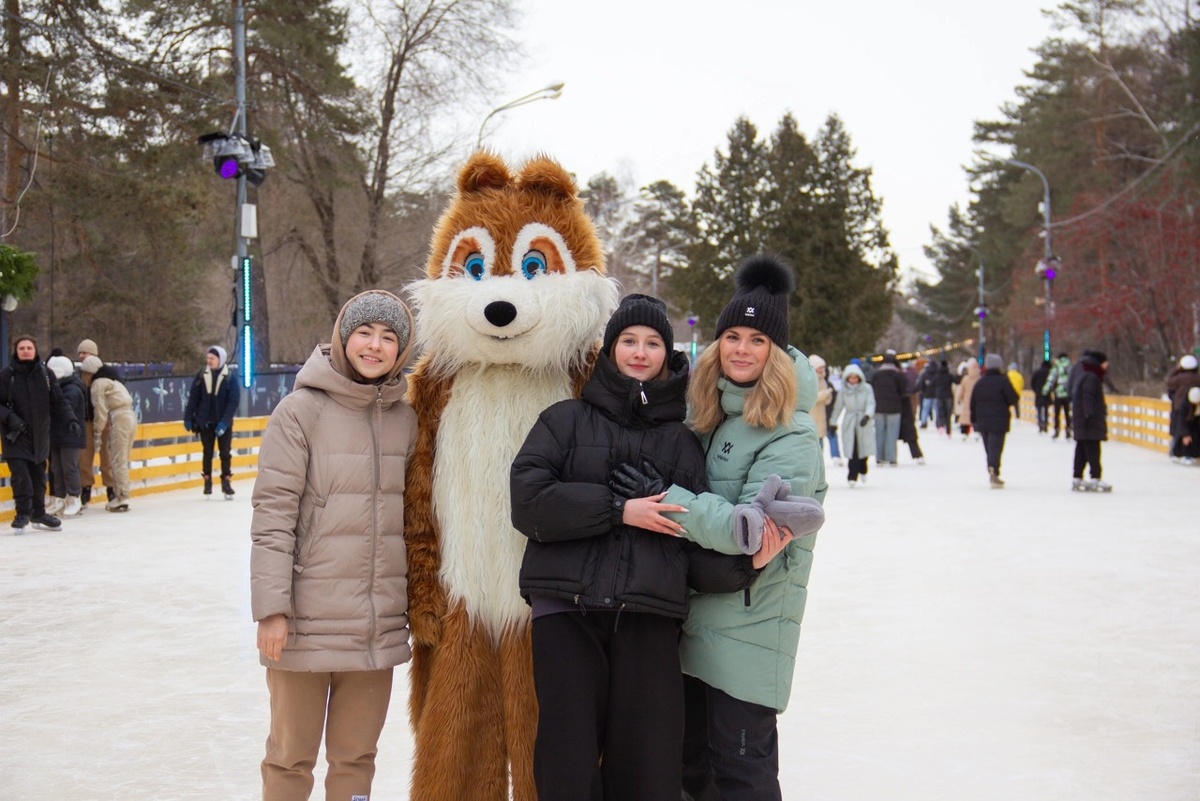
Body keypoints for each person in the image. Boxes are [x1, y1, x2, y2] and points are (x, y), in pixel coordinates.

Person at [509, 294, 793, 801]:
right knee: (567, 762)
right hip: (567, 612)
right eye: (629, 341)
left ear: (668, 354)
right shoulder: (563, 420)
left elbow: (692, 545)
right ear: (611, 349)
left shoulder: (684, 442)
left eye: (653, 343)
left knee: (648, 769)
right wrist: (618, 509)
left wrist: (746, 564)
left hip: (650, 619)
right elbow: (528, 502)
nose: (640, 352)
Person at [620, 255, 827, 800]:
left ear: (776, 353)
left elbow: (754, 529)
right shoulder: (709, 415)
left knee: (741, 774)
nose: (741, 349)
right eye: (732, 336)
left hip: (748, 625)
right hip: (694, 618)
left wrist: (668, 500)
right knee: (692, 773)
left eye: (758, 340)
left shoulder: (791, 433)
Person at [250, 290, 417, 801]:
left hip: (374, 628)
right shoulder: (300, 412)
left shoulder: (406, 419)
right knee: (290, 758)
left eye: (388, 337)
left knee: (356, 758)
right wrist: (271, 610)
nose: (375, 345)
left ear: (401, 350)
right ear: (343, 338)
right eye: (364, 333)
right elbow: (273, 516)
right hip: (305, 623)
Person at [0, 336, 78, 532]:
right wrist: (10, 417)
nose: (25, 351)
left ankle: (39, 513)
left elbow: (59, 401)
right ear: (16, 351)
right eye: (22, 348)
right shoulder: (7, 375)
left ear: (35, 351)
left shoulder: (45, 374)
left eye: (29, 348)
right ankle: (22, 513)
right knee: (21, 476)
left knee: (38, 477)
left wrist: (71, 419)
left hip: (40, 435)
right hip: (15, 436)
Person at [80, 355, 137, 512]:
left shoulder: (98, 383)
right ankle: (121, 494)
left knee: (117, 459)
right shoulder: (113, 380)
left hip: (119, 417)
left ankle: (121, 497)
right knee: (122, 457)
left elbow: (100, 410)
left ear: (89, 373)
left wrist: (97, 432)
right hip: (131, 416)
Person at [184, 345, 240, 498]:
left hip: (223, 423)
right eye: (207, 358)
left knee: (225, 453)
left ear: (220, 360)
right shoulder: (202, 375)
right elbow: (193, 398)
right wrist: (188, 417)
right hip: (205, 422)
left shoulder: (230, 377)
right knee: (207, 453)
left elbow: (233, 402)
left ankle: (226, 482)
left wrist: (225, 422)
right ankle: (207, 481)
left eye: (212, 358)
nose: (209, 361)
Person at [45, 355, 87, 517]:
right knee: (56, 467)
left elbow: (64, 407)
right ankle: (59, 498)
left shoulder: (72, 388)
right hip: (55, 434)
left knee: (69, 466)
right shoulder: (56, 387)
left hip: (70, 434)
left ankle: (74, 497)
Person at [970, 353, 1020, 487]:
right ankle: (994, 470)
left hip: (983, 420)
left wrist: (974, 420)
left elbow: (973, 403)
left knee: (989, 447)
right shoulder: (1003, 381)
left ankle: (992, 468)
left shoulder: (980, 383)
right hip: (999, 420)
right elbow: (1013, 398)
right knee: (996, 447)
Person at [1070, 350, 1111, 491]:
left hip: (1083, 420)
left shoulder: (1085, 374)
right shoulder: (1091, 377)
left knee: (1081, 449)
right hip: (1089, 421)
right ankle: (1095, 477)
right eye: (1105, 363)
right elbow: (1088, 396)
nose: (1107, 366)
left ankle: (1077, 477)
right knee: (1093, 450)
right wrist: (1088, 414)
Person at [830, 362, 876, 487]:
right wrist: (833, 421)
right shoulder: (844, 391)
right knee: (852, 449)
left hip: (863, 421)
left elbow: (871, 403)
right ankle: (852, 475)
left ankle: (863, 468)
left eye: (855, 377)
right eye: (851, 377)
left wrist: (867, 415)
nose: (853, 380)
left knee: (864, 447)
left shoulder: (867, 388)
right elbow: (838, 407)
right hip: (850, 422)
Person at [869, 351, 906, 465]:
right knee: (892, 434)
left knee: (879, 433)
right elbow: (903, 391)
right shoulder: (898, 375)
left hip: (879, 407)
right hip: (894, 407)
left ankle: (879, 457)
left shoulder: (876, 375)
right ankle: (891, 457)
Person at [1166, 354, 1200, 462]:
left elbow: (1169, 381)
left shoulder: (1178, 378)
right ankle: (1190, 453)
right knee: (1193, 430)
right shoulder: (1197, 377)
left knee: (1178, 430)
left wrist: (1176, 369)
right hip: (1195, 406)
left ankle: (1175, 452)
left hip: (1179, 406)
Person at [808, 354, 834, 461]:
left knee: (820, 444)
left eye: (823, 367)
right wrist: (826, 393)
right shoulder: (809, 379)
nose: (822, 369)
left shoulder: (823, 380)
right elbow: (812, 397)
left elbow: (827, 400)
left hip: (821, 416)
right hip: (812, 415)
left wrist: (828, 396)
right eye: (820, 367)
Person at [1043, 352, 1073, 439]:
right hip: (1068, 394)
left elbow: (1051, 379)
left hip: (1058, 394)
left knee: (1057, 413)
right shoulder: (1070, 367)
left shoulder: (1056, 367)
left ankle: (1057, 429)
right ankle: (1068, 429)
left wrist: (1045, 390)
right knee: (1068, 413)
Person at [1031, 358, 1052, 433]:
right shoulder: (1050, 372)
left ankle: (1040, 424)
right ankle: (1045, 424)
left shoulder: (1037, 372)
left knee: (1039, 410)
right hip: (1047, 394)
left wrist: (1035, 390)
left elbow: (1032, 383)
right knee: (1046, 410)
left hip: (1038, 393)